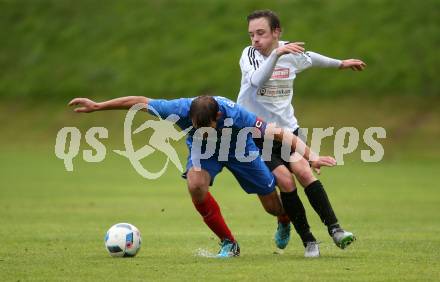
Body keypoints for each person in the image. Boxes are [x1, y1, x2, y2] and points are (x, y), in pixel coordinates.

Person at [69, 95, 336, 258]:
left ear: (218, 117)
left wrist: (311, 156)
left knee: (271, 205)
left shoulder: (237, 114)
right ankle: (229, 244)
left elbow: (281, 134)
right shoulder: (178, 108)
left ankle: (283, 218)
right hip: (204, 154)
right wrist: (98, 106)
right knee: (195, 185)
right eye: (198, 128)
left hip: (241, 151)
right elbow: (138, 102)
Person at [237, 10, 366, 257]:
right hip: (257, 134)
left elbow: (311, 58)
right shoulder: (250, 55)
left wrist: (341, 64)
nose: (255, 39)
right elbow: (256, 82)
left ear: (277, 32)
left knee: (305, 171)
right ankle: (309, 241)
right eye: (252, 34)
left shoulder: (290, 53)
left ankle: (336, 230)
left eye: (261, 33)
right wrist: (275, 54)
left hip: (287, 130)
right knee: (285, 181)